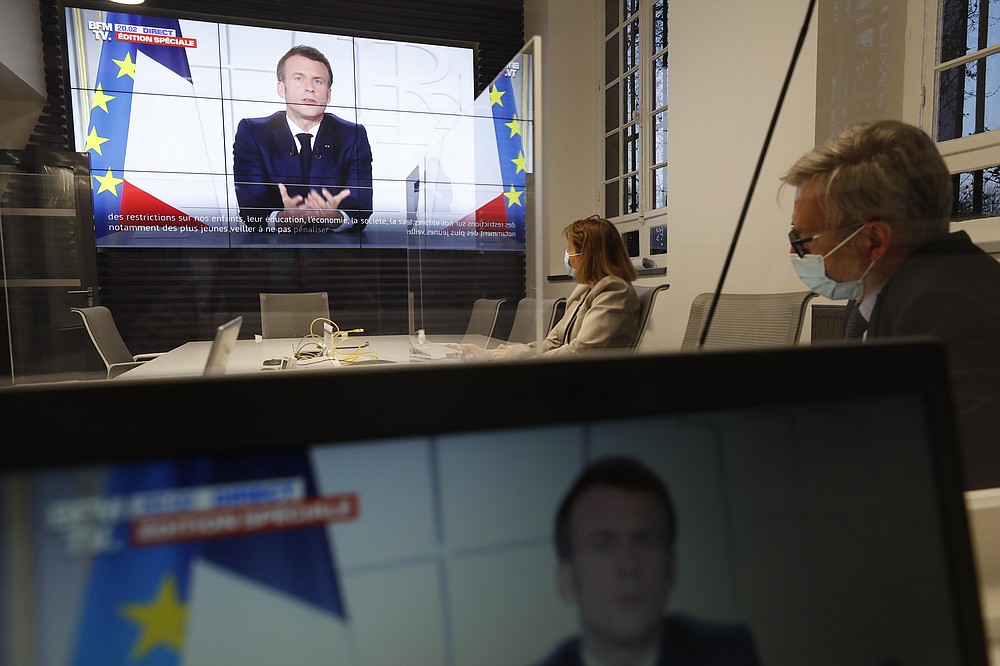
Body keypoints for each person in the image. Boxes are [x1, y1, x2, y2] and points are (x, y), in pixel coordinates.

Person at [781, 119, 1000, 491]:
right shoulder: (883, 286)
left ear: (873, 239)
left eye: (803, 239)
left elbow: (964, 477)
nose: (793, 251)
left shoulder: (943, 304)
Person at [535, 456, 760, 666]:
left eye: (646, 542)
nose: (629, 566)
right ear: (566, 580)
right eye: (602, 545)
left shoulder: (730, 653)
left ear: (671, 567)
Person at [458, 215, 640, 361]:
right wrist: (495, 354)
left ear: (587, 256)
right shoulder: (585, 290)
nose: (567, 256)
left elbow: (581, 351)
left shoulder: (614, 290)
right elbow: (552, 342)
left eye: (569, 250)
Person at [233, 44, 373, 233]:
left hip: (337, 255)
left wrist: (336, 218)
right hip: (271, 254)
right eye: (299, 78)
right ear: (281, 88)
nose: (309, 88)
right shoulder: (253, 132)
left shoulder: (352, 135)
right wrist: (281, 219)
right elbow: (251, 208)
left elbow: (361, 209)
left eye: (318, 81)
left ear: (329, 94)